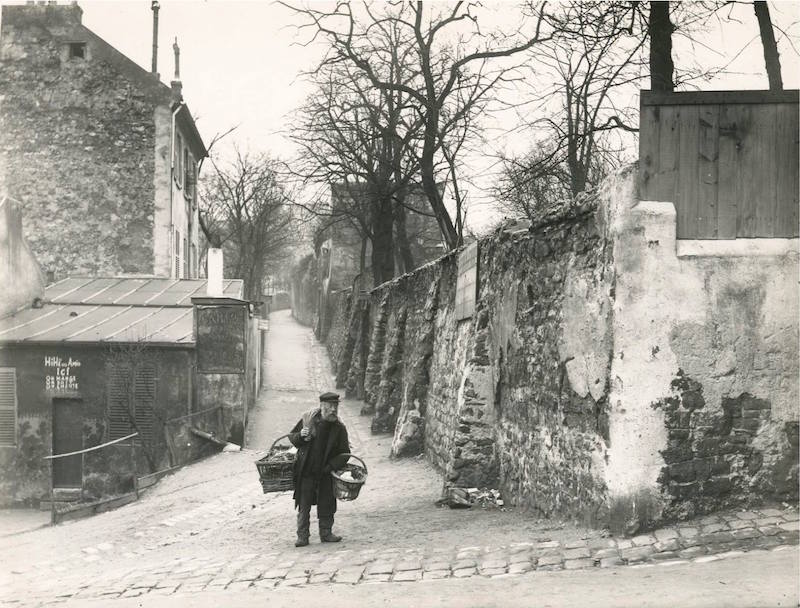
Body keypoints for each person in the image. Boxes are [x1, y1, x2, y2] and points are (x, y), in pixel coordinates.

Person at [287, 391, 350, 547]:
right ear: (322, 406)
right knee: (304, 504)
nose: (333, 410)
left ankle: (326, 533)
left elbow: (345, 453)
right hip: (307, 471)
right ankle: (302, 536)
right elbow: (293, 439)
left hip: (326, 473)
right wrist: (300, 436)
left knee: (327, 503)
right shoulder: (308, 421)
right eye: (330, 406)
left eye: (335, 406)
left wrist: (331, 467)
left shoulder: (339, 428)